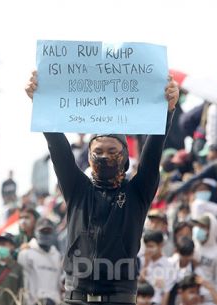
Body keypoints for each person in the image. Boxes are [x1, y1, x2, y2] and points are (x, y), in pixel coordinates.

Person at [25, 70, 179, 304]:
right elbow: (57, 146)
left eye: (112, 151)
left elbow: (153, 151)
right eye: (98, 152)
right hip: (76, 297)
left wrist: (167, 111)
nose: (104, 157)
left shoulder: (137, 193)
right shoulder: (77, 189)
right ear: (88, 157)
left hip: (119, 297)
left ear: (125, 158)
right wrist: (42, 101)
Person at [17, 218, 62, 305]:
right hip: (33, 302)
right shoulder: (25, 254)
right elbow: (21, 282)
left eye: (48, 231)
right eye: (43, 231)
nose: (46, 234)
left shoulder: (57, 256)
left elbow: (58, 283)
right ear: (35, 232)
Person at [191, 215, 217, 302]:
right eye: (197, 226)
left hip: (209, 299)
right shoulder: (193, 246)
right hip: (190, 296)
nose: (198, 229)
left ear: (211, 230)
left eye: (202, 227)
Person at [0, 233, 24, 305]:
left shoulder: (18, 268)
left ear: (12, 247)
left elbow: (21, 292)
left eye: (3, 244)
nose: (0, 247)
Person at [139, 230, 176, 305]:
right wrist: (146, 264)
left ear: (160, 245)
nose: (149, 249)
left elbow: (166, 293)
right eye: (147, 246)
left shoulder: (169, 266)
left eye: (151, 246)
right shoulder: (140, 261)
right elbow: (138, 282)